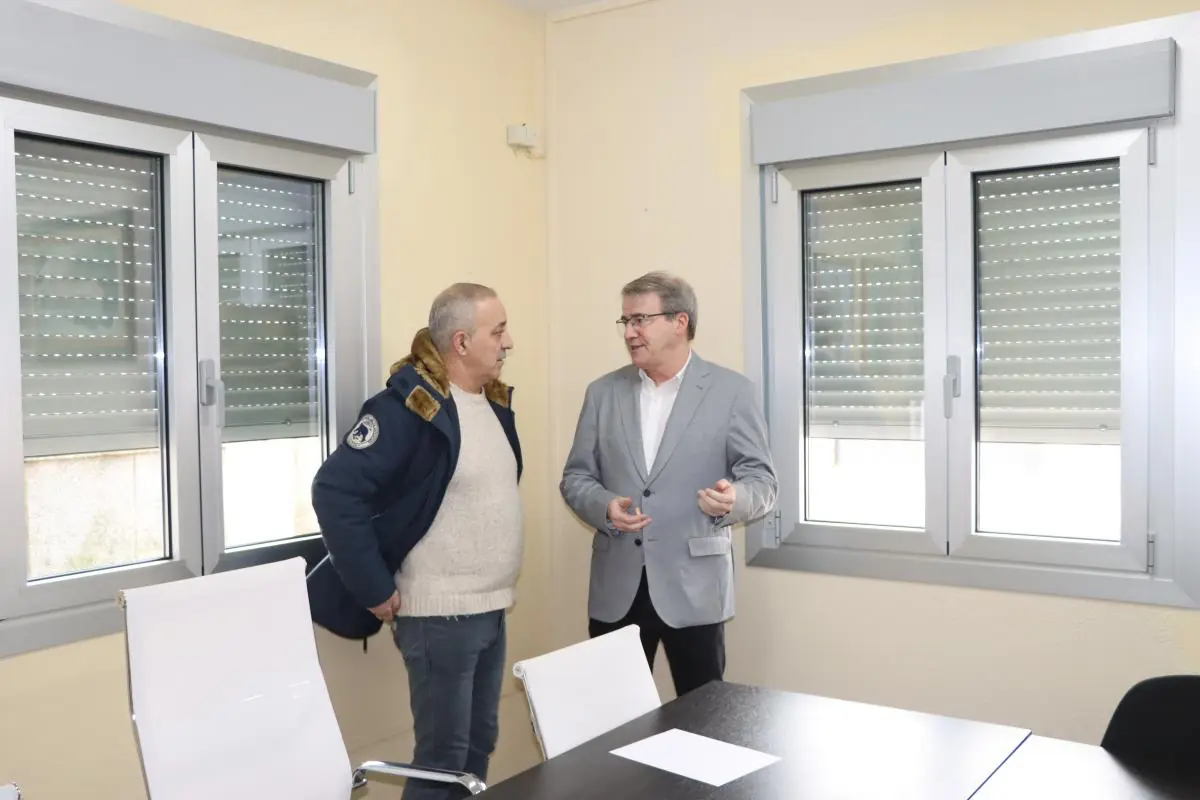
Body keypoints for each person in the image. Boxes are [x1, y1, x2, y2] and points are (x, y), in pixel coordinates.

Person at [309, 283, 523, 799]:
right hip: (438, 616)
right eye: (497, 331)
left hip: (490, 609)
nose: (508, 342)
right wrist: (373, 587)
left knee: (476, 749)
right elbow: (335, 491)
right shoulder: (406, 409)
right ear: (461, 342)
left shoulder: (491, 404)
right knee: (442, 761)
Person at [560, 271, 777, 697]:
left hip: (694, 587)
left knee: (703, 719)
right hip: (617, 586)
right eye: (626, 321)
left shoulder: (733, 392)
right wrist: (604, 507)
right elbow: (576, 477)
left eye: (641, 319)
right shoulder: (603, 393)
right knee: (612, 717)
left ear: (680, 322)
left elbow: (762, 481)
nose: (630, 332)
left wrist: (733, 500)